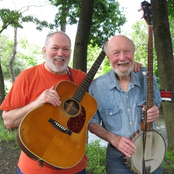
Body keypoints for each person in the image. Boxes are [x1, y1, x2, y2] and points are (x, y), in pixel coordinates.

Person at [0, 31, 142, 174]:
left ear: (70, 52)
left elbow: (112, 83)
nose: (60, 54)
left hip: (72, 166)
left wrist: (128, 66)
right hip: (32, 169)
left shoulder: (81, 79)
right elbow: (8, 121)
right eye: (55, 48)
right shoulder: (27, 77)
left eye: (66, 49)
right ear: (44, 50)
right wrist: (37, 102)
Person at [88, 35, 163, 174]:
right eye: (116, 53)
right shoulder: (96, 87)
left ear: (133, 53)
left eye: (127, 51)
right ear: (109, 58)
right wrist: (113, 139)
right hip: (118, 159)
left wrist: (155, 111)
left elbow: (156, 105)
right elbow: (92, 124)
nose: (122, 58)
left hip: (152, 152)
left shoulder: (147, 76)